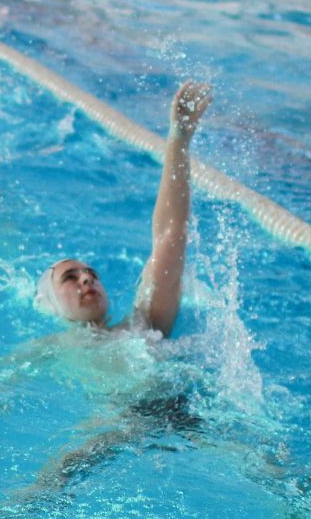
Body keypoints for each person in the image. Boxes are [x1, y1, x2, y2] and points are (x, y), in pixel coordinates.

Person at [36, 81, 211, 339]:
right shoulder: (45, 351)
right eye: (69, 278)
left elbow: (171, 237)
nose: (86, 279)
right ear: (50, 304)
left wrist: (179, 139)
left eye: (91, 274)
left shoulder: (141, 328)